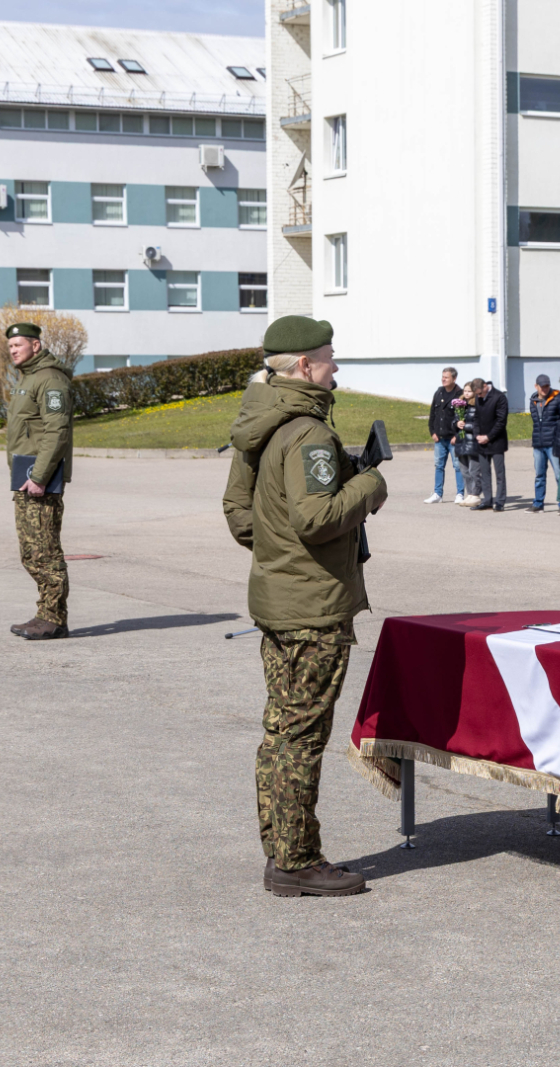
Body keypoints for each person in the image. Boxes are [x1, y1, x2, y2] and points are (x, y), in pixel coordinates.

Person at [221, 315, 388, 898]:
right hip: (312, 609)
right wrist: (369, 485)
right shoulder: (309, 433)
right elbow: (316, 520)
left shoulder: (259, 422)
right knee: (301, 736)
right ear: (304, 368)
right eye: (329, 358)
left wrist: (274, 556)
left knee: (280, 730)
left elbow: (238, 510)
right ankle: (295, 861)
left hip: (279, 597)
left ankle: (283, 850)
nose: (335, 367)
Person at [5, 322, 74, 640]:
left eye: (18, 344)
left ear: (36, 345)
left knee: (45, 552)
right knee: (31, 552)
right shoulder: (27, 379)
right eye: (10, 346)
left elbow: (56, 431)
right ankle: (45, 613)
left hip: (39, 480)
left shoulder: (50, 380)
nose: (13, 350)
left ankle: (54, 619)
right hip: (25, 478)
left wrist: (40, 476)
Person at [467, 378, 509, 511]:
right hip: (482, 442)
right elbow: (476, 418)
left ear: (485, 386)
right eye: (477, 395)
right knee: (484, 473)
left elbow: (501, 421)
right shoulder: (479, 398)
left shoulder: (499, 397)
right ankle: (487, 500)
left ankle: (500, 501)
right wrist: (477, 435)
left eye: (480, 393)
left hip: (496, 442)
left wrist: (488, 437)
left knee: (499, 474)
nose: (479, 396)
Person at [528, 374, 560, 514]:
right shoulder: (533, 400)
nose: (545, 389)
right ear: (536, 386)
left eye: (547, 386)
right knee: (539, 476)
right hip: (538, 444)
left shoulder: (558, 399)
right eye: (542, 386)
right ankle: (538, 504)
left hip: (553, 443)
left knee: (559, 475)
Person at [425, 367, 465, 504]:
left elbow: (463, 418)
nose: (443, 379)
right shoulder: (439, 392)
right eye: (442, 376)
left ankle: (460, 494)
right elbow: (433, 414)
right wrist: (433, 432)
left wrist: (457, 436)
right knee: (439, 465)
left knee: (458, 466)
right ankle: (438, 494)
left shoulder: (460, 394)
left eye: (446, 377)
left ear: (454, 379)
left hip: (453, 439)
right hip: (439, 438)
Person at [451, 383, 482, 505]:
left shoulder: (478, 405)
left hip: (473, 442)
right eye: (465, 391)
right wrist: (456, 424)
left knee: (474, 470)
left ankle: (476, 494)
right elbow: (454, 421)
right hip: (461, 442)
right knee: (464, 470)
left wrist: (467, 426)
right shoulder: (460, 405)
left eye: (469, 391)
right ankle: (469, 494)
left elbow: (480, 424)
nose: (466, 393)